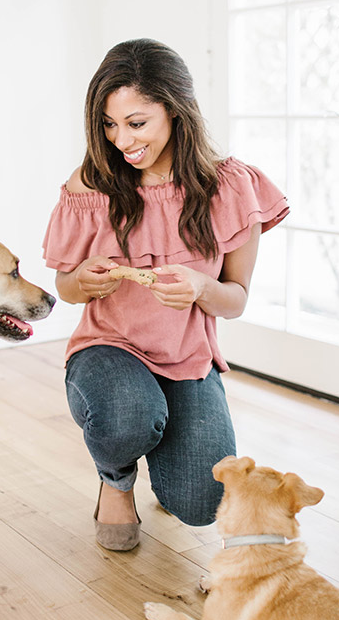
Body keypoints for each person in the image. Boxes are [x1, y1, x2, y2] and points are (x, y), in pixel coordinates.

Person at [42, 39, 288, 551]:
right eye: (109, 125)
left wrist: (202, 288)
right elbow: (65, 288)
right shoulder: (92, 184)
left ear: (176, 112)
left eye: (137, 123)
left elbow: (236, 299)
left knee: (202, 503)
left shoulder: (232, 185)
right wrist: (80, 281)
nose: (122, 141)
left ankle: (161, 446)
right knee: (128, 416)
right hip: (108, 349)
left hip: (188, 358)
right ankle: (116, 481)